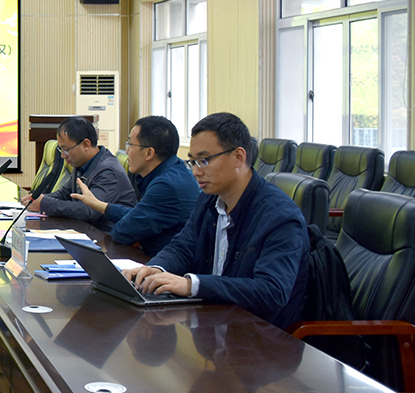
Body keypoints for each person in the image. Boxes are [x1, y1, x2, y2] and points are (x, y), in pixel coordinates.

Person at [123, 112, 309, 330]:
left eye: (204, 160)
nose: (196, 171)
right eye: (192, 161)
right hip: (214, 323)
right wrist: (157, 268)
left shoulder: (280, 216)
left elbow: (272, 291)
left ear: (238, 157)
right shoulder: (209, 200)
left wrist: (192, 285)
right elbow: (184, 246)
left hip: (259, 336)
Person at [71, 115, 200, 256]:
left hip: (166, 264)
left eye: (130, 145)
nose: (126, 151)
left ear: (149, 153)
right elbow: (137, 214)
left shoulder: (166, 186)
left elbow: (121, 232)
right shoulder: (175, 169)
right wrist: (98, 205)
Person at [23, 116, 136, 230]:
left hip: (107, 236)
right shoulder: (82, 163)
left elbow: (90, 211)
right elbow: (64, 194)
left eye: (66, 150)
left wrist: (44, 204)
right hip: (86, 230)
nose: (63, 155)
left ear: (86, 144)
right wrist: (37, 199)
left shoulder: (108, 171)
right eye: (61, 150)